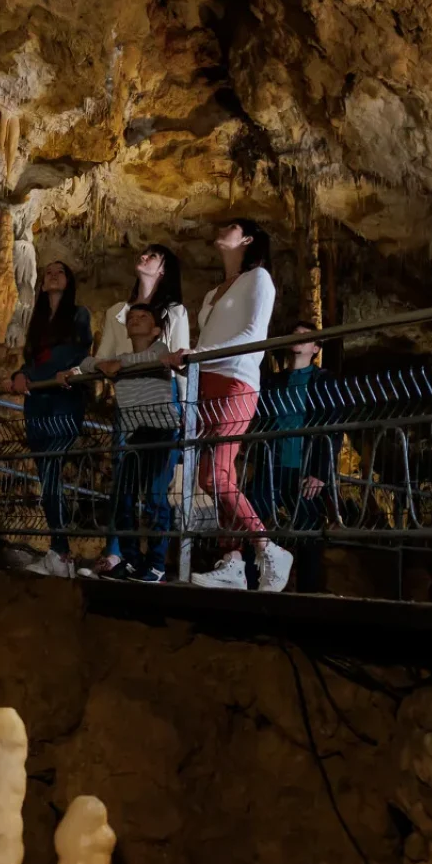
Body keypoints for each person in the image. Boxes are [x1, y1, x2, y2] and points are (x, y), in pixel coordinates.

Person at [161, 218, 292, 591]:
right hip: (207, 384)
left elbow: (253, 334)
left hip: (237, 378)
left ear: (247, 239)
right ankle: (233, 560)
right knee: (221, 476)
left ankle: (268, 547)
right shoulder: (211, 293)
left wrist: (197, 354)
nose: (221, 229)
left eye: (231, 226)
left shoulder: (259, 279)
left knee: (213, 474)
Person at [72, 304, 181, 582]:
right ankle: (133, 561)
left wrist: (117, 365)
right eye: (132, 317)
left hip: (162, 432)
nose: (136, 320)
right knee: (122, 499)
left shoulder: (159, 351)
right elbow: (86, 363)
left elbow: (155, 358)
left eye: (144, 317)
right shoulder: (120, 359)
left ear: (156, 330)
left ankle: (157, 565)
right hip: (134, 436)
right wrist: (101, 364)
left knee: (156, 498)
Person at [11, 260, 94, 577]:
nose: (53, 274)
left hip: (63, 401)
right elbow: (30, 358)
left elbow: (71, 354)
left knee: (51, 471)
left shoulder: (79, 314)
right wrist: (20, 373)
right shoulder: (37, 323)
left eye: (60, 271)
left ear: (69, 281)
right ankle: (59, 552)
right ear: (42, 284)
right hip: (38, 405)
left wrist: (26, 374)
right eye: (48, 272)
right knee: (47, 476)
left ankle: (61, 553)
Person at [246, 321, 332, 592]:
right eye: (294, 334)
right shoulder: (272, 381)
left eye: (306, 337)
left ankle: (309, 594)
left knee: (308, 534)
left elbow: (332, 430)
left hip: (303, 468)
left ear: (316, 348)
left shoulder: (323, 381)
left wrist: (320, 472)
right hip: (270, 466)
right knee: (251, 522)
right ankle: (248, 584)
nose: (298, 338)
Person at [95, 244, 190, 361]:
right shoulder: (115, 312)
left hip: (161, 378)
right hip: (125, 378)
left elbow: (181, 358)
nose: (144, 257)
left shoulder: (175, 311)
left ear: (163, 270)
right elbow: (102, 358)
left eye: (153, 256)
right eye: (144, 254)